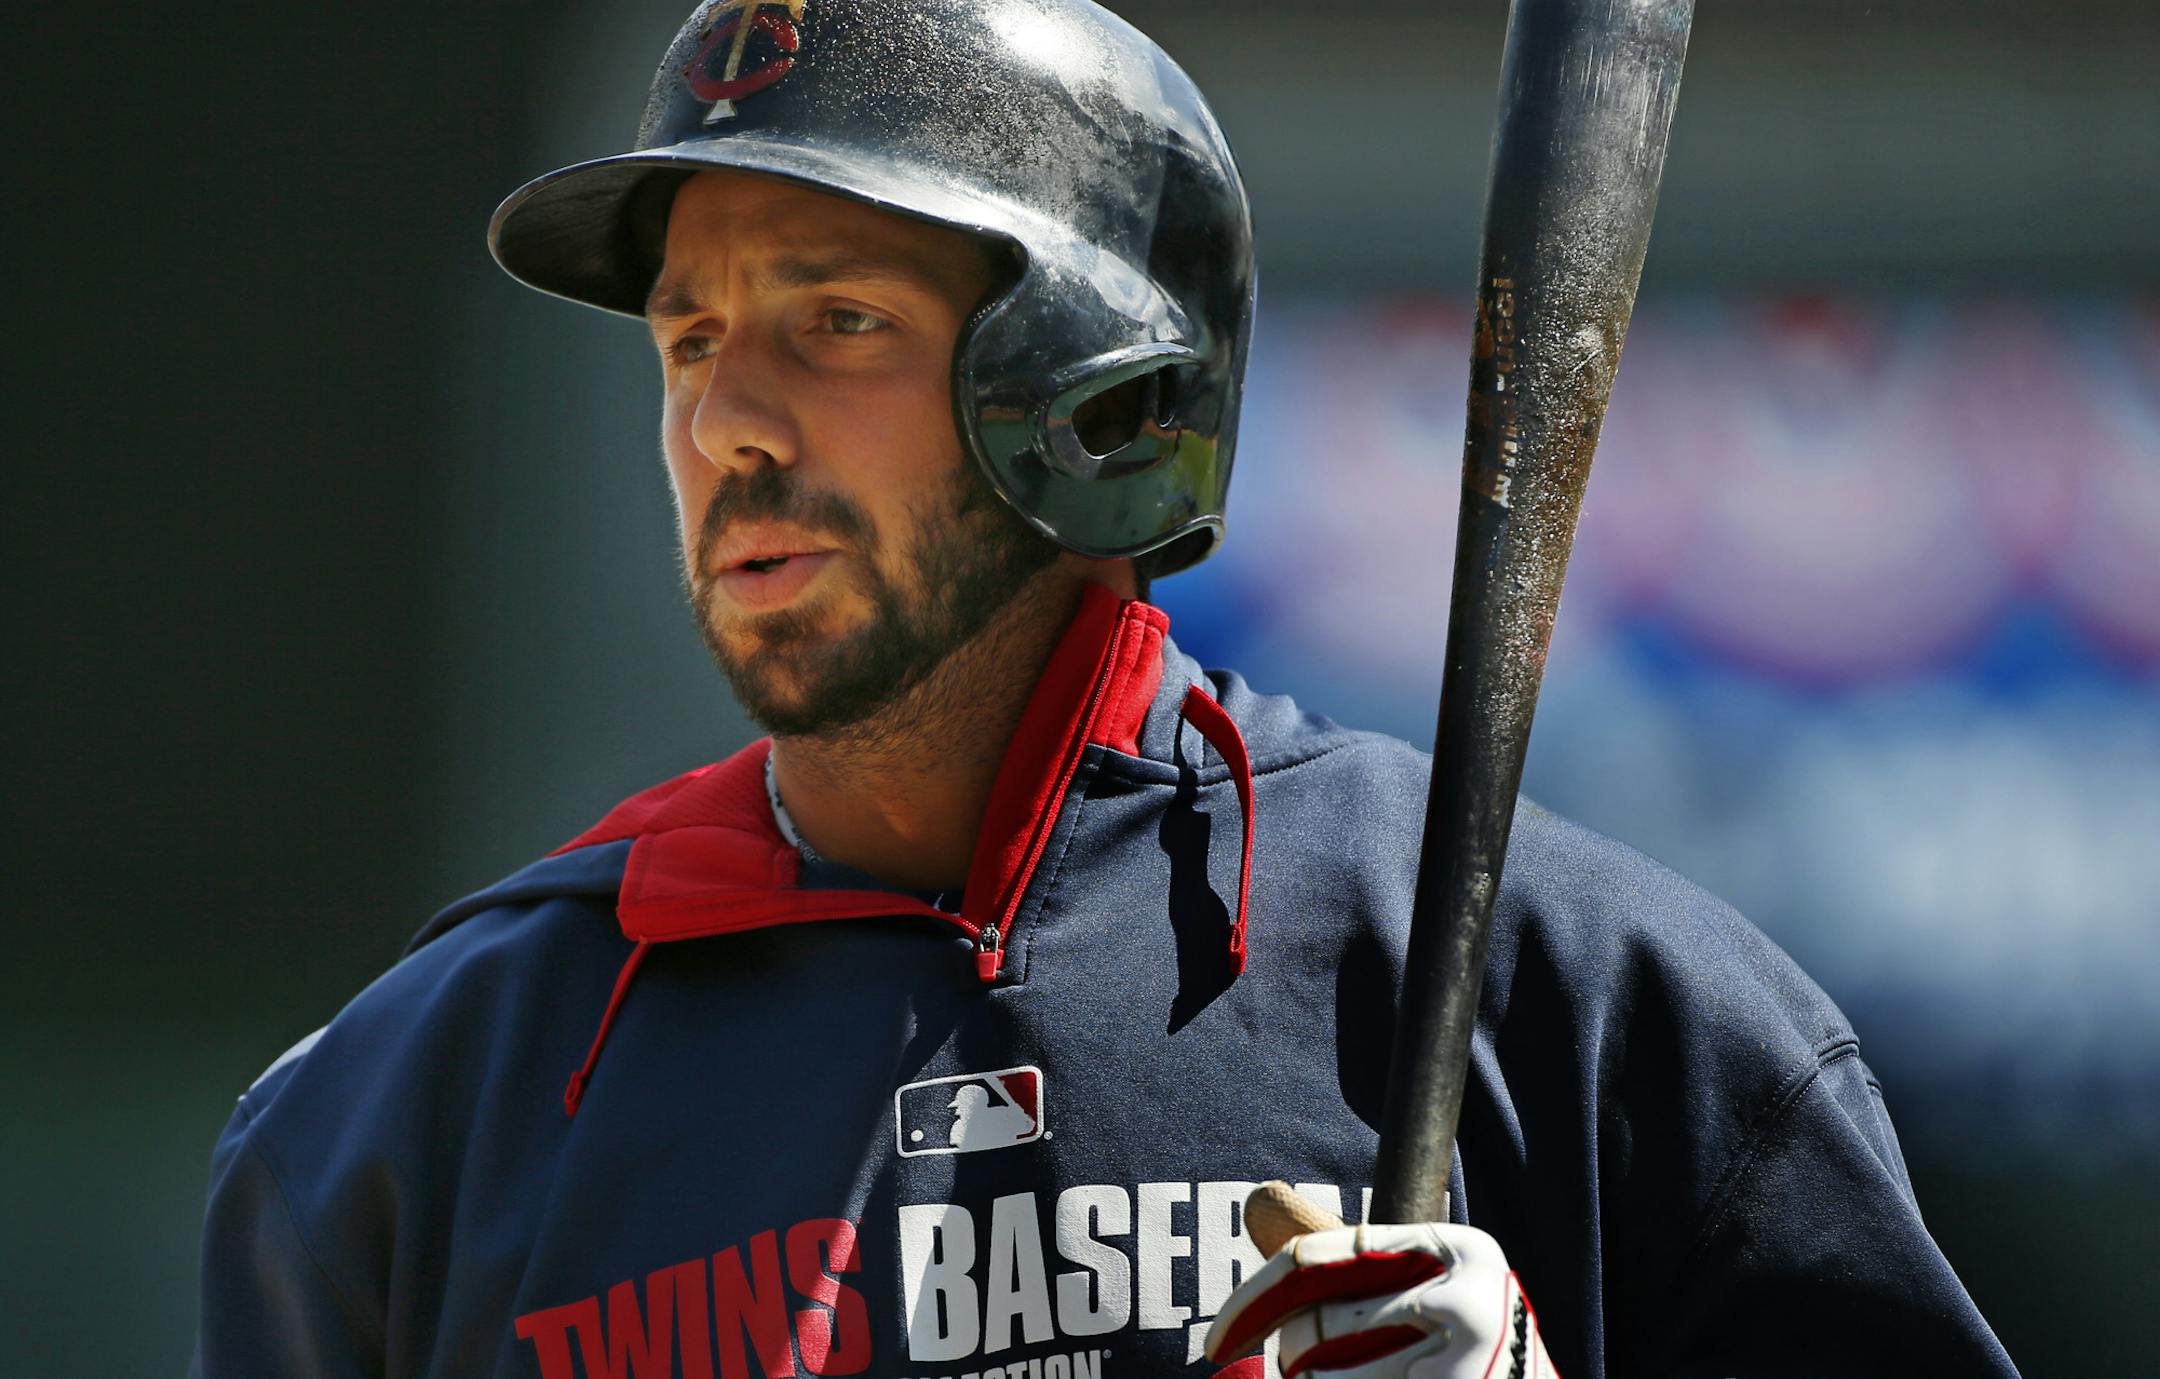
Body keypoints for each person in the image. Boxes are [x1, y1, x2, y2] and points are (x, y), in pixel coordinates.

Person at [191, 1, 2019, 1376]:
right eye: (690, 337)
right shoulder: (405, 1121)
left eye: (837, 322)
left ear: (1100, 393)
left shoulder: (1585, 1011)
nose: (722, 423)